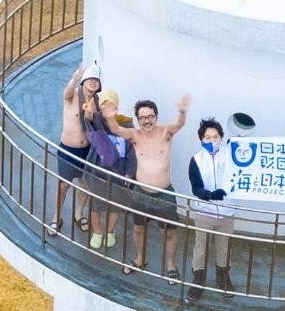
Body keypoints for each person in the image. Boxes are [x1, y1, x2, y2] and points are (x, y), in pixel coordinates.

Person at [125, 95, 189, 278]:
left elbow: (179, 124)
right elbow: (115, 129)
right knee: (138, 229)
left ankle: (171, 265)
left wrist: (182, 111)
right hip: (140, 193)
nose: (147, 121)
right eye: (143, 118)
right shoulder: (136, 136)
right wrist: (109, 116)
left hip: (164, 194)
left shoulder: (166, 132)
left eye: (150, 116)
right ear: (138, 120)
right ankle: (140, 259)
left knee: (169, 232)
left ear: (156, 116)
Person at [185, 118, 234, 300]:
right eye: (207, 137)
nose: (212, 141)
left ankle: (223, 277)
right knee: (200, 248)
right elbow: (196, 188)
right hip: (205, 212)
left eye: (215, 137)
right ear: (201, 139)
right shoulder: (196, 160)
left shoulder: (230, 156)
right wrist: (210, 195)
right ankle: (198, 279)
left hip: (227, 212)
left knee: (224, 247)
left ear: (221, 138)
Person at [84, 90, 134, 252]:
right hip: (98, 173)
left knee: (115, 205)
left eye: (109, 103)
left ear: (116, 106)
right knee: (95, 204)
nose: (106, 106)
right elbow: (89, 120)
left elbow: (132, 151)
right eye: (103, 103)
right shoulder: (97, 120)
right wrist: (89, 112)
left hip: (118, 173)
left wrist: (129, 173)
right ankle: (97, 232)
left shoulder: (126, 125)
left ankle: (110, 231)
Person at [55, 66, 101, 235]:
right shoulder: (73, 95)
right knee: (63, 186)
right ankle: (56, 217)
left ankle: (79, 214)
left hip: (86, 150)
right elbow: (66, 93)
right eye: (90, 79)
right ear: (83, 81)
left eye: (96, 80)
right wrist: (75, 78)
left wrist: (91, 115)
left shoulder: (96, 101)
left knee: (85, 184)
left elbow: (95, 125)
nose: (93, 82)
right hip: (69, 149)